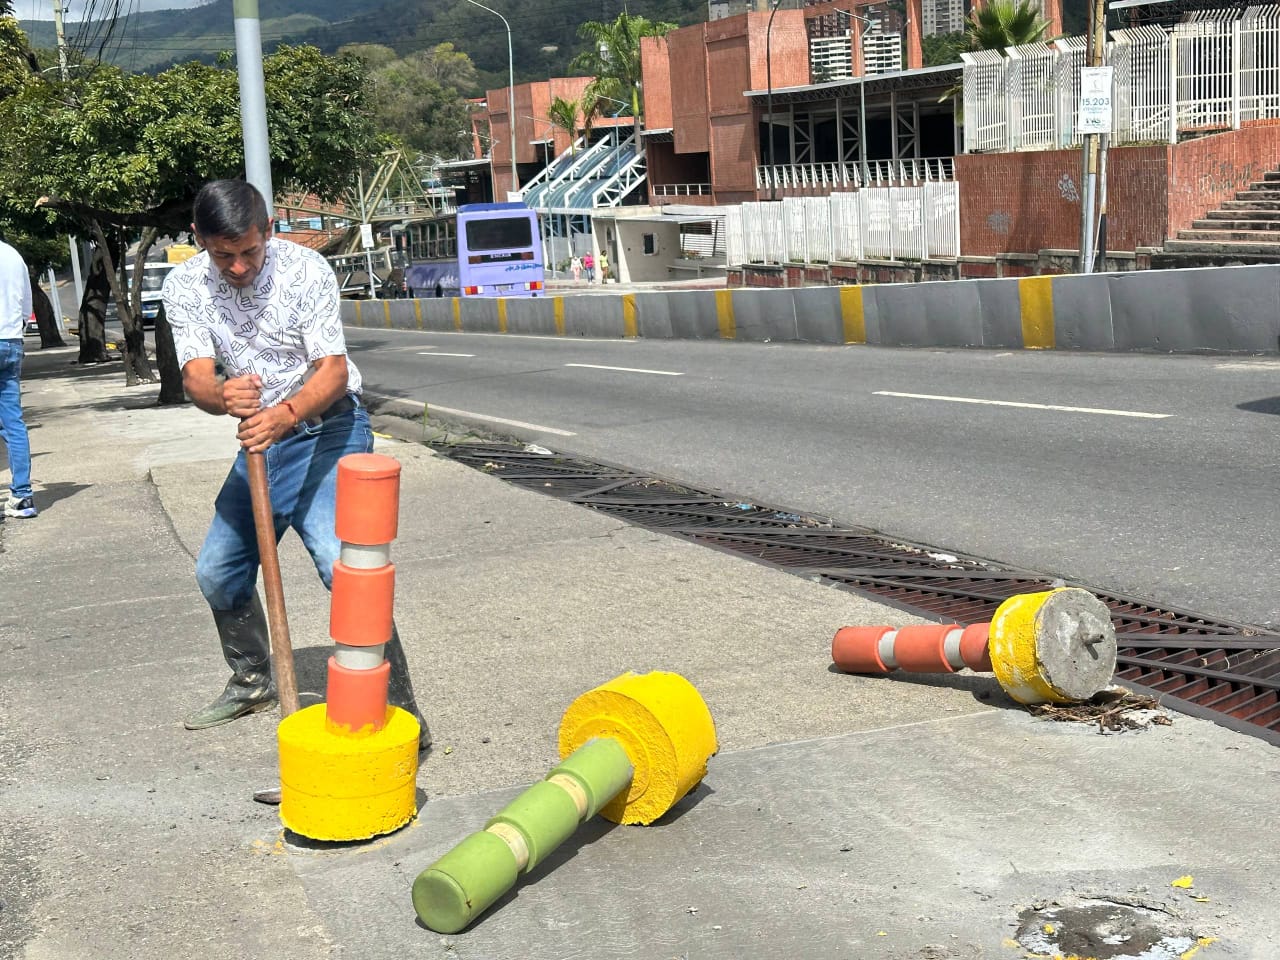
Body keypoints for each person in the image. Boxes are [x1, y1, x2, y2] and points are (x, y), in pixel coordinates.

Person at [163, 180, 429, 747]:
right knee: (217, 572)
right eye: (223, 255)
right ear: (200, 240)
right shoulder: (184, 283)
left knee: (342, 564)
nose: (237, 267)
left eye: (250, 252)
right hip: (263, 441)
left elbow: (332, 372)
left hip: (328, 426)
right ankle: (253, 678)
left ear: (268, 232)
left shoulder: (305, 271)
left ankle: (396, 709)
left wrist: (284, 414)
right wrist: (222, 397)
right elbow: (195, 378)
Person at [0, 237, 36, 520]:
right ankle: (22, 496)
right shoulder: (13, 256)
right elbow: (27, 307)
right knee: (13, 422)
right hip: (11, 341)